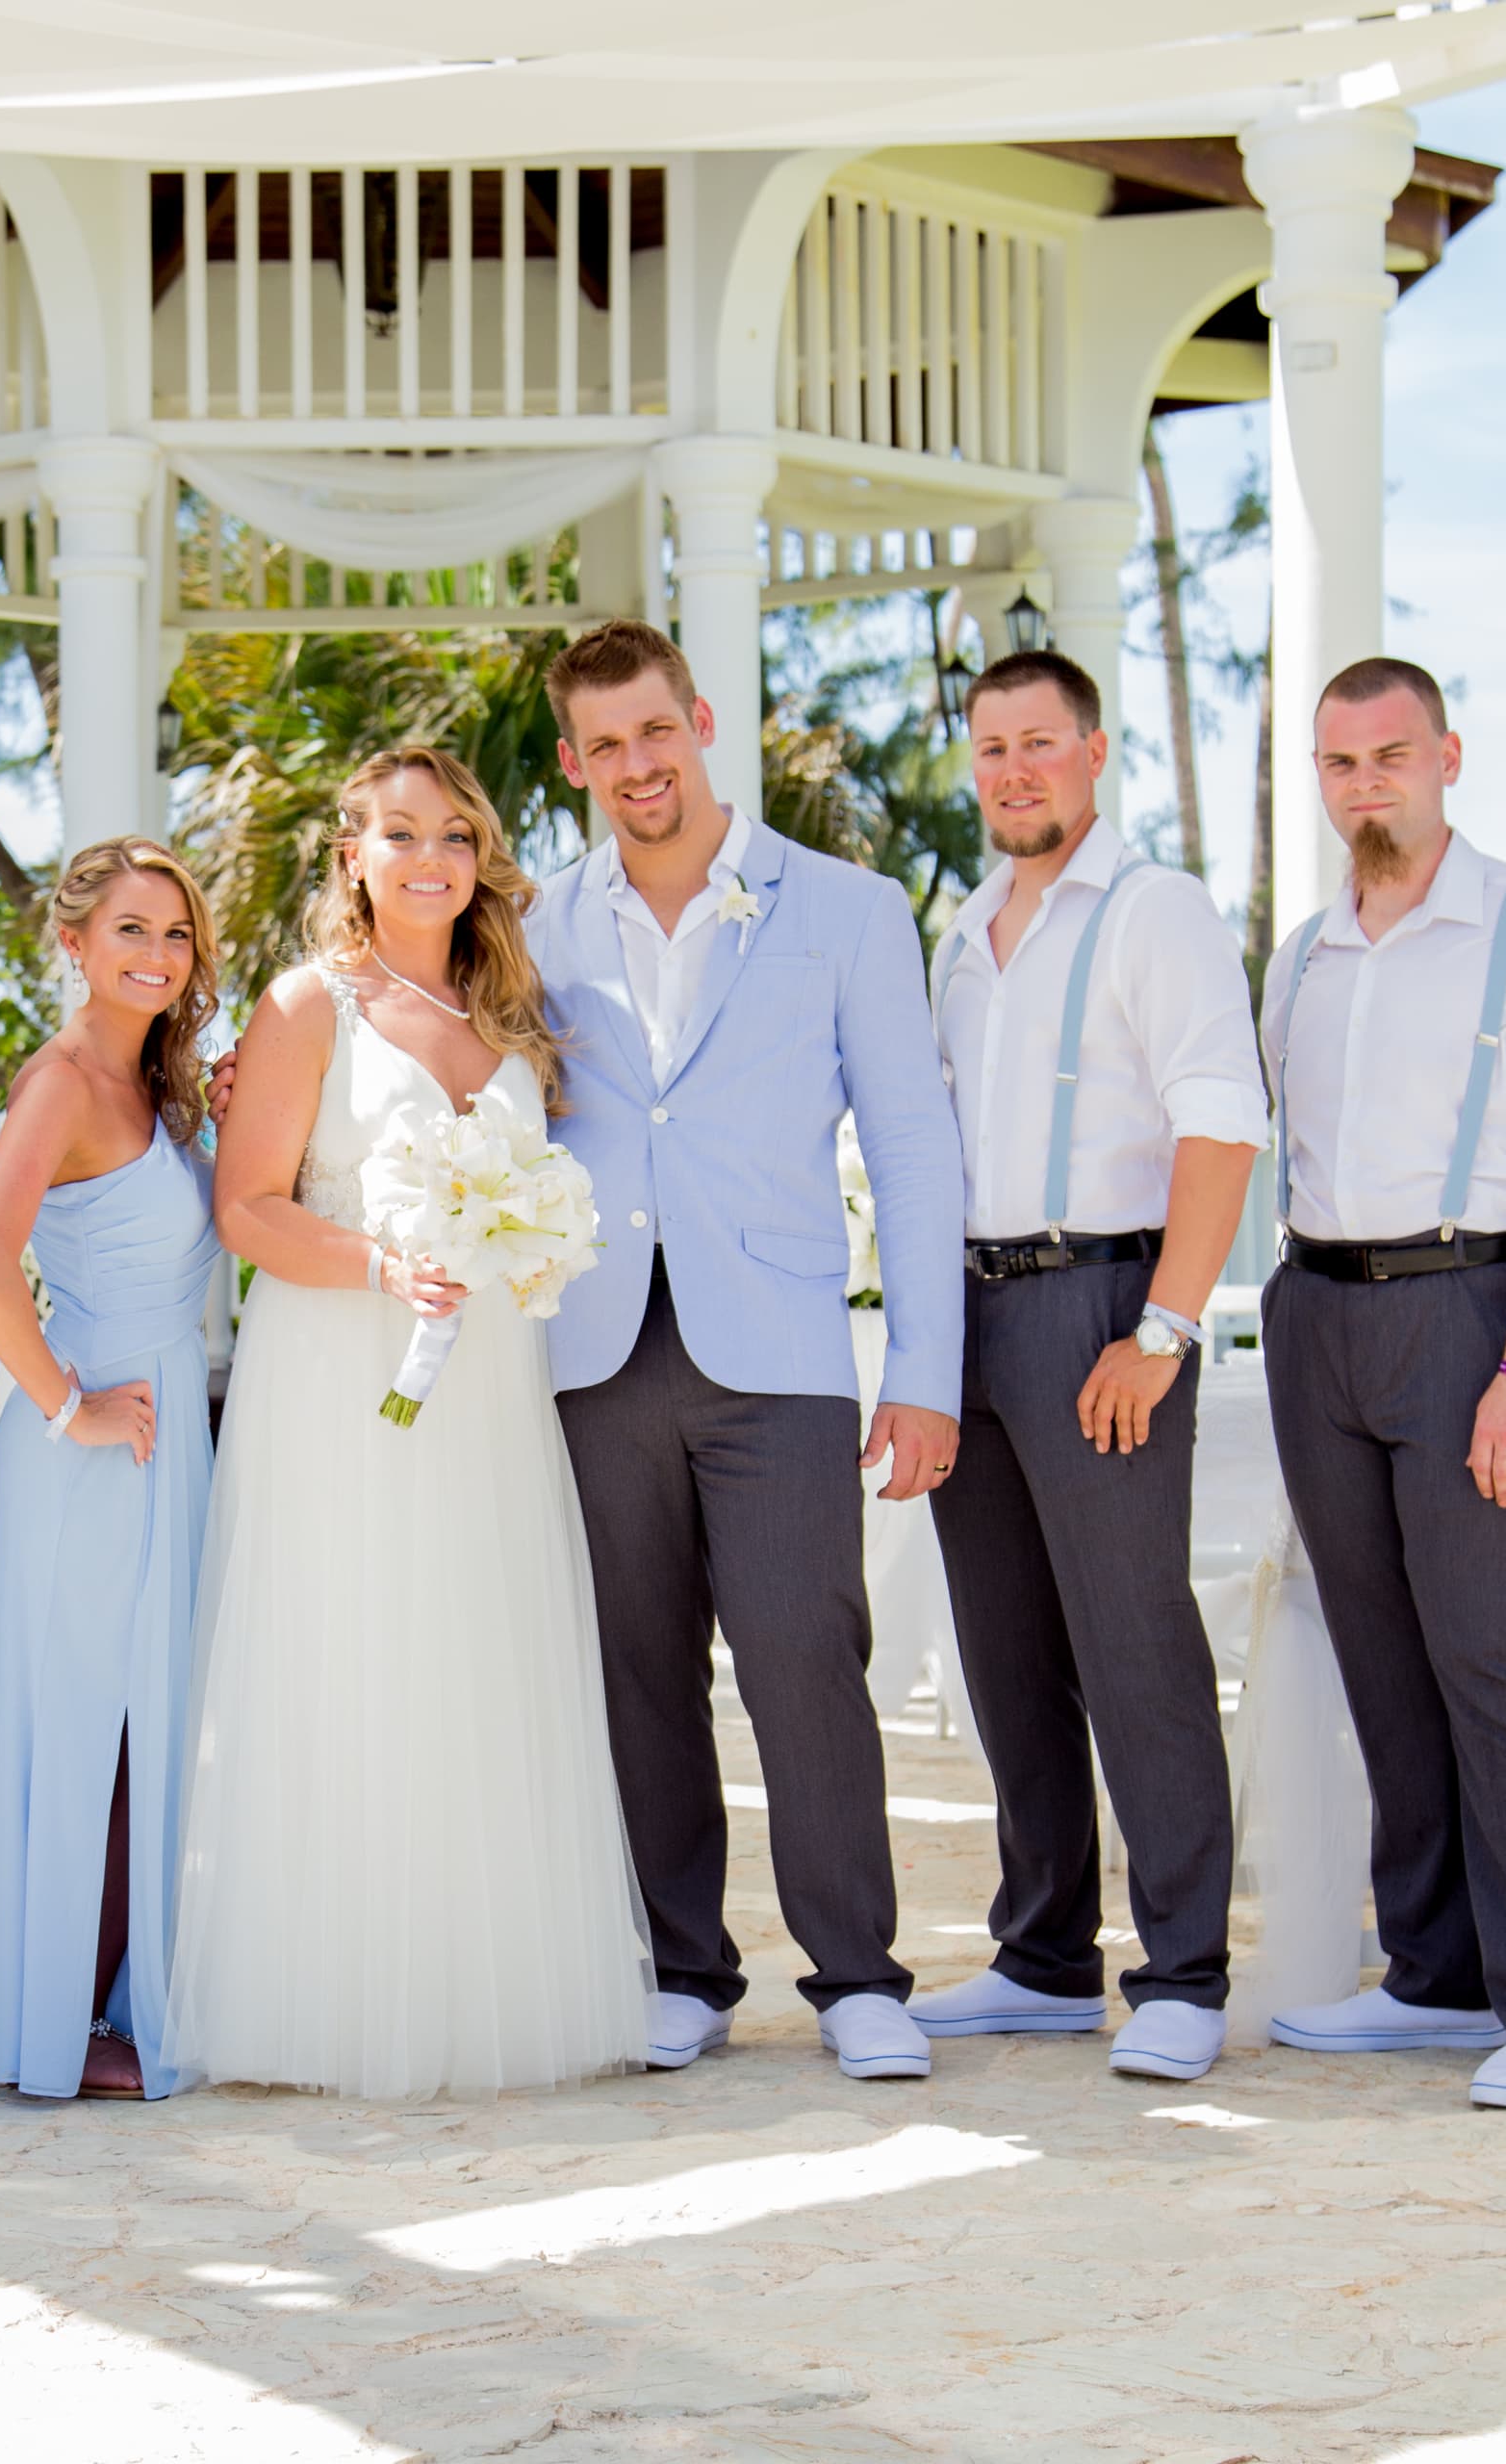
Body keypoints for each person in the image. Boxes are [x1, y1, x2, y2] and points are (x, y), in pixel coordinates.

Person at [167, 746, 650, 2098]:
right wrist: (381, 1264)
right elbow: (249, 1206)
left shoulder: (513, 1016)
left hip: (487, 1384)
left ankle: (483, 1982)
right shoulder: (306, 1004)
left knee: (476, 1648)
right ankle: (325, 1997)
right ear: (352, 857)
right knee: (351, 1647)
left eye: (453, 834)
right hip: (340, 1368)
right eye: (399, 834)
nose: (429, 857)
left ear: (480, 858)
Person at [526, 618, 964, 2084]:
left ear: (699, 720)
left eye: (655, 732)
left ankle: (857, 1975)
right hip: (594, 1350)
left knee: (803, 1658)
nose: (635, 766)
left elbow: (909, 1147)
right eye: (603, 747)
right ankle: (681, 1969)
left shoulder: (847, 909)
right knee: (636, 1668)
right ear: (576, 763)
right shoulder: (535, 928)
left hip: (775, 1347)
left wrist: (924, 1366)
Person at [1259, 659, 1506, 2113]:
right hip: (1323, 1318)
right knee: (1385, 1659)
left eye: (1393, 756)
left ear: (1450, 758)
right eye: (1341, 763)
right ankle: (1438, 1978)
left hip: (1480, 1312)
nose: (1368, 785)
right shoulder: (1302, 957)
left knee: (1503, 1657)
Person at [906, 649, 1263, 2084]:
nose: (1012, 770)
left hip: (1103, 1300)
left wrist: (1162, 1330)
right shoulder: (963, 932)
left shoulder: (1156, 911)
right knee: (1007, 1652)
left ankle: (1182, 1971)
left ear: (1094, 752)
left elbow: (1221, 1129)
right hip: (973, 1315)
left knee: (1135, 1644)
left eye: (1038, 741)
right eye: (989, 748)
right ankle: (1046, 1953)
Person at [0, 839, 224, 2103]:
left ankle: (101, 1998)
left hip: (163, 1433)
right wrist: (68, 1409)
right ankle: (65, 2016)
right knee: (89, 1728)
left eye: (175, 933)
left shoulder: (152, 1085)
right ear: (73, 941)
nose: (156, 955)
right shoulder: (61, 1081)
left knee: (141, 1724)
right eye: (130, 929)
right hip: (96, 1441)